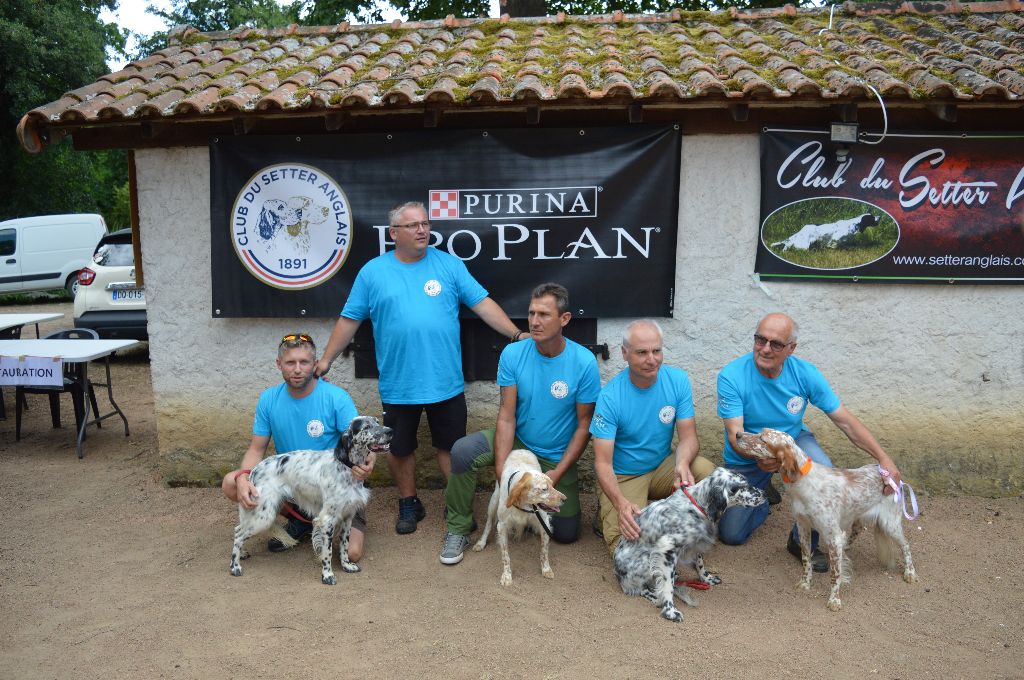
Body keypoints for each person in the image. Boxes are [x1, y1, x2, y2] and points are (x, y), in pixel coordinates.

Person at [316, 201, 522, 535]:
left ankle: (457, 506)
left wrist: (516, 334)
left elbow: (482, 304)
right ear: (393, 233)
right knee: (399, 448)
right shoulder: (372, 272)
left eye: (425, 223)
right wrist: (326, 359)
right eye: (413, 225)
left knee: (451, 449)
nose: (422, 230)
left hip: (445, 382)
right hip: (399, 384)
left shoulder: (449, 265)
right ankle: (408, 502)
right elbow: (349, 319)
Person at [716, 312, 902, 572]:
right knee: (732, 534)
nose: (765, 349)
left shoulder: (805, 373)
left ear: (791, 349)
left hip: (793, 442)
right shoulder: (731, 376)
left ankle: (801, 542)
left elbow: (846, 421)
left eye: (776, 344)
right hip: (751, 453)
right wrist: (762, 458)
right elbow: (735, 435)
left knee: (824, 471)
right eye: (760, 340)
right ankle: (765, 495)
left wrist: (884, 458)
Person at [439, 283, 601, 565]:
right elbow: (506, 416)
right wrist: (502, 471)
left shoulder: (583, 362)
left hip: (555, 455)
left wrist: (556, 474)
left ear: (564, 319)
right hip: (519, 442)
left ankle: (527, 508)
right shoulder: (513, 354)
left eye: (544, 314)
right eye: (531, 313)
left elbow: (584, 425)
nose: (535, 322)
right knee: (463, 451)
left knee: (565, 533)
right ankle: (458, 527)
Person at [222, 333, 375, 561]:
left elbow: (362, 440)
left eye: (304, 362)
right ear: (279, 364)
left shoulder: (336, 397)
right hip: (296, 485)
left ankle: (322, 520)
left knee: (352, 554)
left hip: (335, 487)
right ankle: (300, 520)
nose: (297, 369)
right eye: (290, 362)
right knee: (231, 482)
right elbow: (256, 450)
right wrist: (244, 476)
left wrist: (369, 463)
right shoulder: (268, 399)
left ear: (315, 364)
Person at [591, 319, 716, 555]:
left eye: (656, 351)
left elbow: (689, 438)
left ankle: (681, 527)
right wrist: (620, 503)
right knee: (627, 548)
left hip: (662, 467)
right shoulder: (610, 397)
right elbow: (602, 464)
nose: (652, 359)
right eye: (642, 353)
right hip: (624, 476)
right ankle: (610, 508)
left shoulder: (678, 380)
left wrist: (682, 463)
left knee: (706, 471)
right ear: (624, 353)